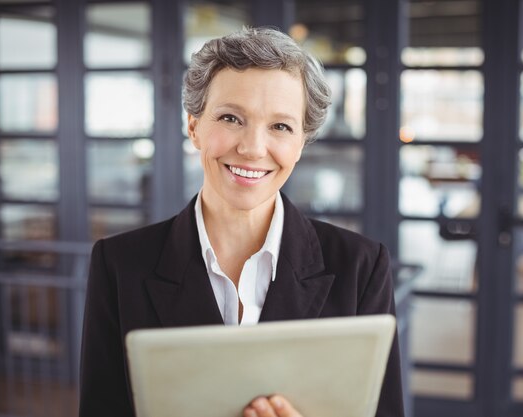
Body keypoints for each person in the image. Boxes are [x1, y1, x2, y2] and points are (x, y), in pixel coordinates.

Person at [79, 27, 404, 417]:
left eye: (281, 126)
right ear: (194, 126)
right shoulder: (119, 265)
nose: (251, 148)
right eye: (231, 118)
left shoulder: (361, 268)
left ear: (301, 142)